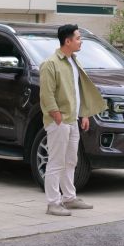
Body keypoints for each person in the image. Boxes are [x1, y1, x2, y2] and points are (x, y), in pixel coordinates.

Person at [40, 24, 107, 217]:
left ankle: (69, 198)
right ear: (67, 41)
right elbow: (46, 94)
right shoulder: (50, 64)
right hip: (59, 122)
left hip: (73, 119)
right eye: (78, 38)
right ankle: (53, 203)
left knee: (71, 161)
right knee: (56, 162)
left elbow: (79, 91)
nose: (81, 41)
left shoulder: (74, 61)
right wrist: (56, 115)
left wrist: (84, 114)